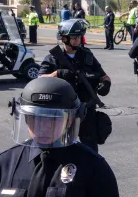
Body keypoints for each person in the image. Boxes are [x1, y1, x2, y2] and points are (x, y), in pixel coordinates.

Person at [39, 19, 111, 152]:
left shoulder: (88, 56)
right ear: (64, 38)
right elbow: (39, 80)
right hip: (63, 111)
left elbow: (104, 76)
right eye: (74, 37)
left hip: (86, 109)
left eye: (79, 37)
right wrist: (58, 74)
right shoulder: (53, 58)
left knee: (90, 150)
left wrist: (106, 84)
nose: (78, 40)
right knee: (61, 149)